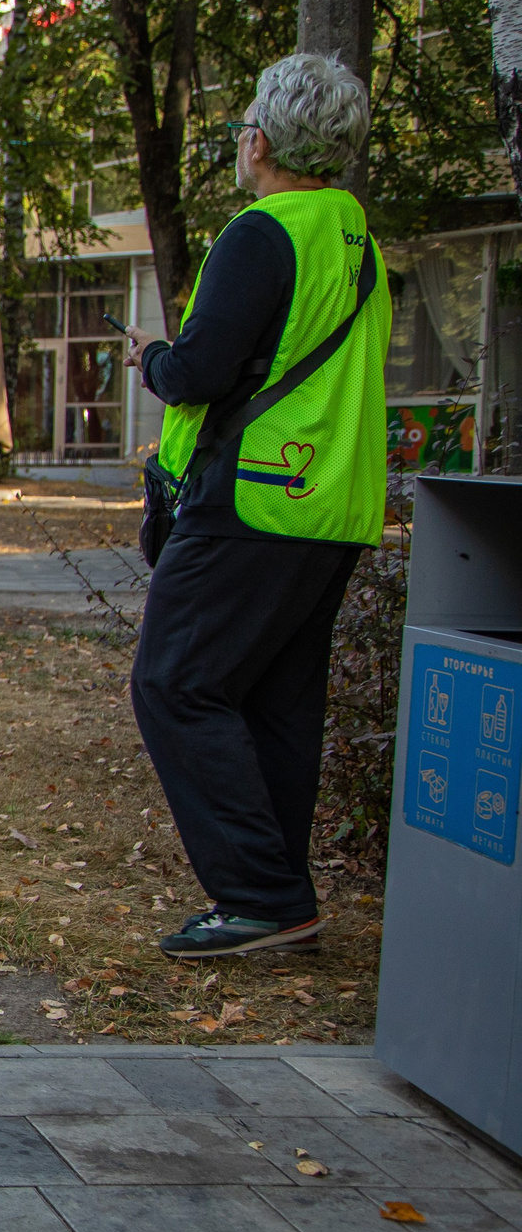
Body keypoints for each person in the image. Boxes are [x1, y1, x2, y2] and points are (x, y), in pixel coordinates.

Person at [123, 53, 390, 958]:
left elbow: (200, 372)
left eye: (245, 128)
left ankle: (259, 894)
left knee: (175, 681)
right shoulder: (355, 238)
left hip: (256, 499)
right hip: (332, 506)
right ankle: (285, 901)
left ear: (263, 140)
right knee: (277, 703)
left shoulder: (265, 231)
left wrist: (154, 359)